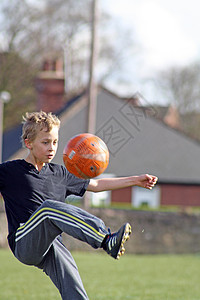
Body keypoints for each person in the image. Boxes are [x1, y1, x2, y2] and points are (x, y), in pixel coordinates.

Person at [0, 111, 158, 300]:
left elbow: (97, 185)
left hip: (51, 245)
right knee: (49, 209)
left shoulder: (60, 174)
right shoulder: (9, 171)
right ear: (29, 143)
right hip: (24, 241)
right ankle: (106, 239)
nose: (52, 148)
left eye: (55, 142)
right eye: (45, 142)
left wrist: (135, 180)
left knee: (74, 289)